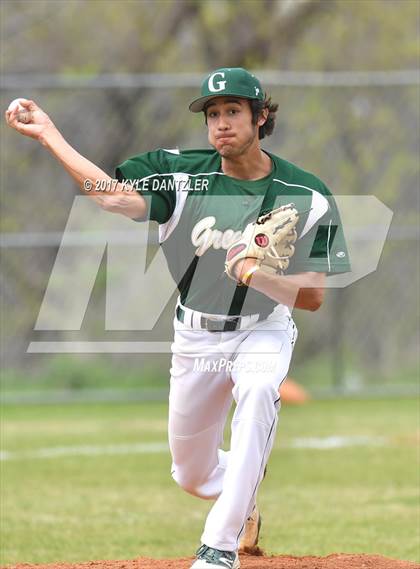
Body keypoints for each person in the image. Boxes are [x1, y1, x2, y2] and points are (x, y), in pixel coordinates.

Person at [5, 67, 350, 569]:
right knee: (192, 475)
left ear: (262, 117)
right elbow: (107, 195)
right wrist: (49, 133)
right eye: (213, 114)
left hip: (263, 330)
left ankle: (219, 546)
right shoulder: (181, 175)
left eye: (233, 111)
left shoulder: (308, 193)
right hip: (195, 336)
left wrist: (257, 276)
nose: (221, 124)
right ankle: (243, 493)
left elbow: (314, 296)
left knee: (257, 392)